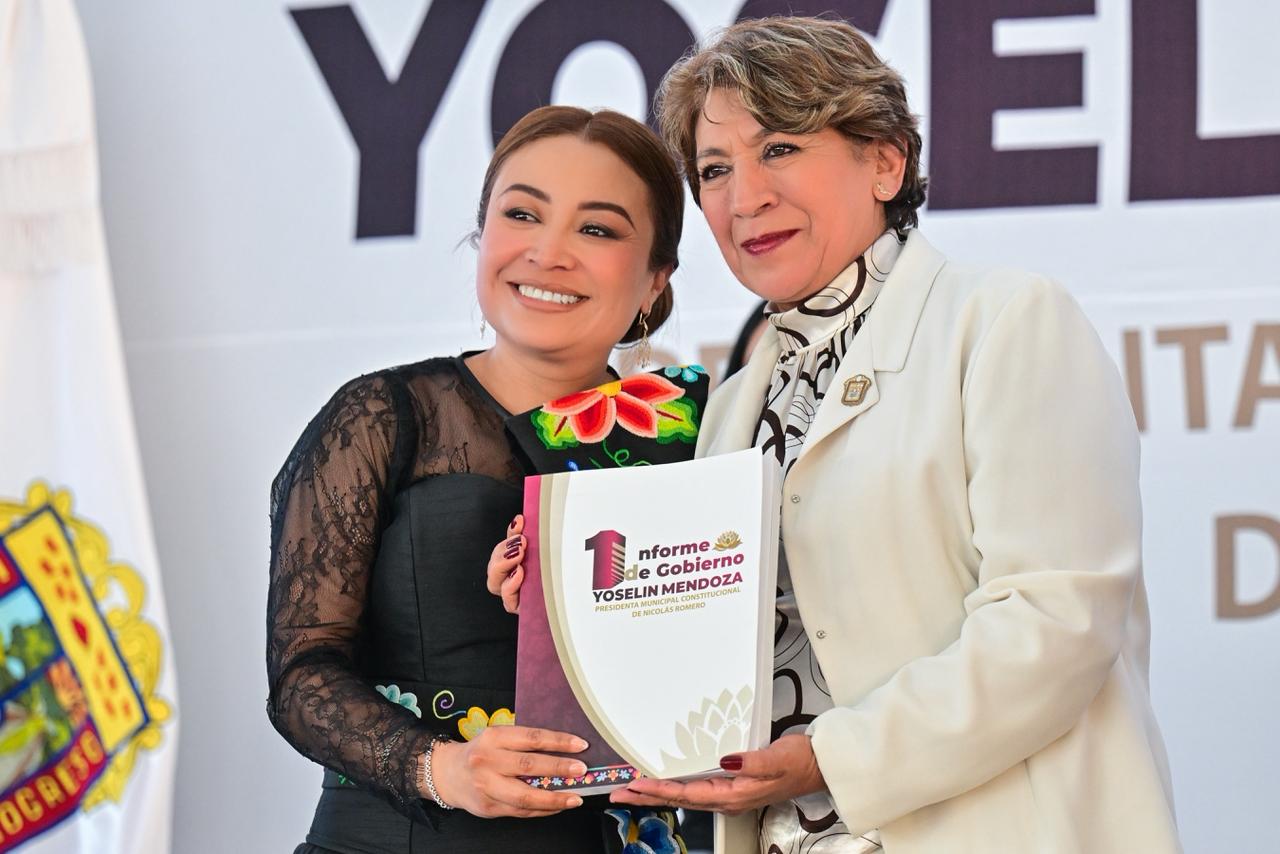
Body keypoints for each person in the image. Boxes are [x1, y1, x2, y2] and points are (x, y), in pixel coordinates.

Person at [604, 17, 1181, 854]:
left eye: (779, 149)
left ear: (885, 161)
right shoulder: (731, 410)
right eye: (715, 169)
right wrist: (559, 596)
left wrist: (827, 759)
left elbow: (1056, 623)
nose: (744, 198)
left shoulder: (1006, 321)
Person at [266, 105, 689, 854]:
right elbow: (302, 675)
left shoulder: (697, 445)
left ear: (656, 278)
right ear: (482, 234)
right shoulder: (381, 417)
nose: (549, 253)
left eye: (597, 229)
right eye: (522, 214)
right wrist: (441, 769)